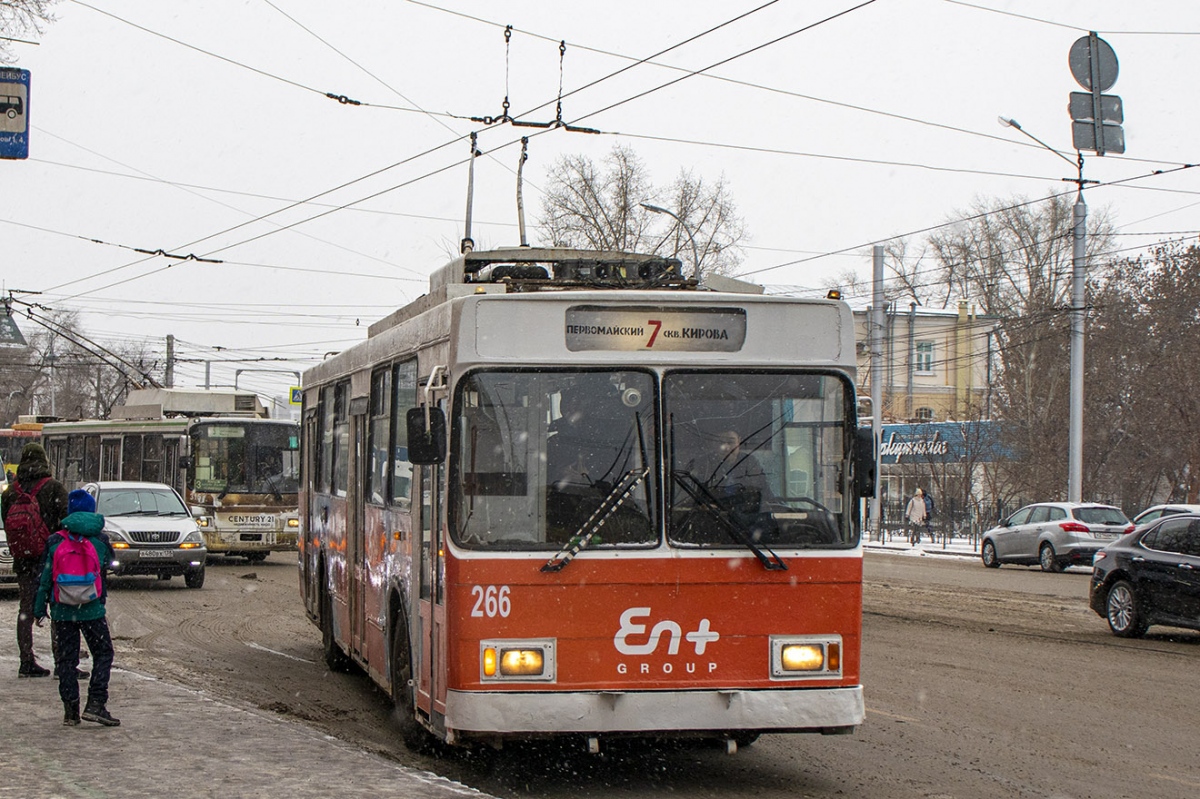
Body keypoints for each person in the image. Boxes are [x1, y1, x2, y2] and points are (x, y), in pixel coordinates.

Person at [34, 489, 120, 727]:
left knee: (66, 660)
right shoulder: (100, 540)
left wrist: (39, 609)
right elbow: (107, 566)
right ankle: (96, 703)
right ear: (92, 510)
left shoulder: (55, 541)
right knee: (103, 653)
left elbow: (44, 579)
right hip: (92, 609)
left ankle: (70, 710)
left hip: (62, 610)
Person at [1, 442, 68, 678]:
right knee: (58, 610)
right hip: (52, 561)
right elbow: (66, 522)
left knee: (25, 611)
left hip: (23, 561)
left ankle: (26, 661)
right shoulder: (54, 488)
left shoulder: (11, 492)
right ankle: (62, 662)